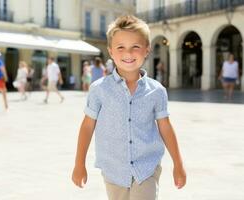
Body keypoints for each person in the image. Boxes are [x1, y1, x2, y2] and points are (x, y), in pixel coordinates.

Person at [72, 15, 186, 200]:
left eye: (135, 47)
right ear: (110, 51)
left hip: (146, 168)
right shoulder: (99, 89)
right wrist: (79, 163)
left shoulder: (157, 91)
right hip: (113, 169)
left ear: (147, 50)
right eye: (121, 47)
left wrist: (178, 165)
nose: (128, 53)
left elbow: (165, 127)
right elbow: (87, 126)